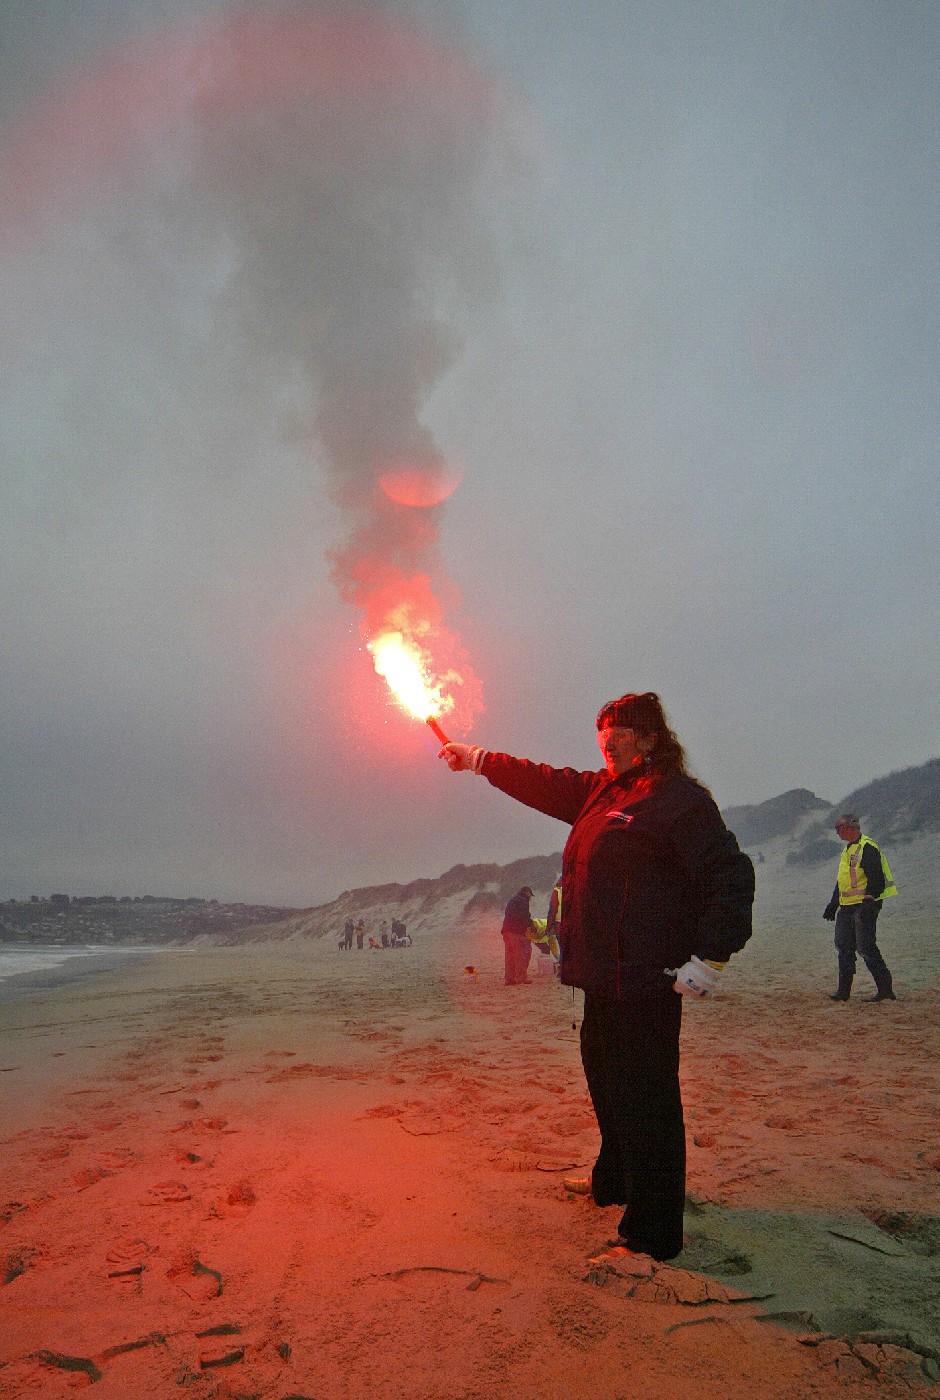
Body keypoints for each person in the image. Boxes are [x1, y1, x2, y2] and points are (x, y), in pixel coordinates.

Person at [440, 691, 754, 1262]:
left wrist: (710, 958)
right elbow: (543, 781)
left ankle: (654, 1232)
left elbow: (730, 875)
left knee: (648, 1097)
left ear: (652, 739)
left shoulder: (677, 801)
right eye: (603, 730)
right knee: (607, 1083)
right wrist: (480, 758)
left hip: (648, 976)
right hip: (601, 976)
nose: (610, 741)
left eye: (624, 732)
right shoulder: (602, 792)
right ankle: (618, 1182)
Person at [823, 813, 897, 1002]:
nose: (837, 833)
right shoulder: (849, 850)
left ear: (848, 828)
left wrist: (869, 901)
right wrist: (833, 904)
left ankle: (885, 991)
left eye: (838, 829)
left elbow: (876, 878)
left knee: (865, 947)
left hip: (864, 906)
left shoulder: (868, 847)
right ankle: (843, 993)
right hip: (847, 906)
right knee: (844, 947)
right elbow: (843, 881)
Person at [501, 886, 536, 985]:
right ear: (527, 892)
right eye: (530, 895)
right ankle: (521, 978)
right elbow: (524, 915)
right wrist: (531, 925)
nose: (530, 897)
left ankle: (509, 979)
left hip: (506, 930)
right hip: (516, 932)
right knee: (520, 956)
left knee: (510, 956)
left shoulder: (513, 899)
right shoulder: (523, 900)